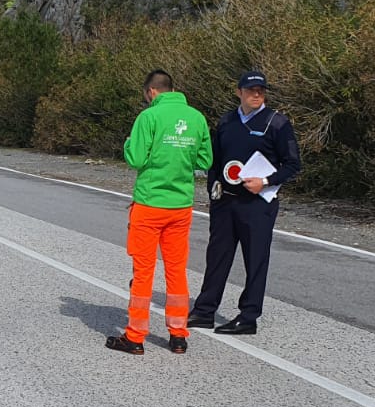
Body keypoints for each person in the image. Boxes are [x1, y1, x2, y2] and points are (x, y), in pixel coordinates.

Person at [107, 70, 213, 356]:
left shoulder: (148, 118)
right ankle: (178, 335)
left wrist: (130, 142)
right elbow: (205, 159)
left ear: (151, 92)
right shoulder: (196, 118)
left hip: (150, 203)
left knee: (143, 272)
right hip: (180, 206)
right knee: (176, 270)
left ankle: (135, 337)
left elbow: (136, 158)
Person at [188, 70, 302, 336]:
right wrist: (212, 190)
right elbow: (215, 161)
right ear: (239, 92)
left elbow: (293, 164)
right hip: (225, 203)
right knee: (217, 257)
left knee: (256, 259)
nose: (256, 94)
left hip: (258, 204)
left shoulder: (277, 123)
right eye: (251, 90)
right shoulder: (227, 121)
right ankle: (205, 311)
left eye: (261, 90)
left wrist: (266, 181)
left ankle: (248, 317)